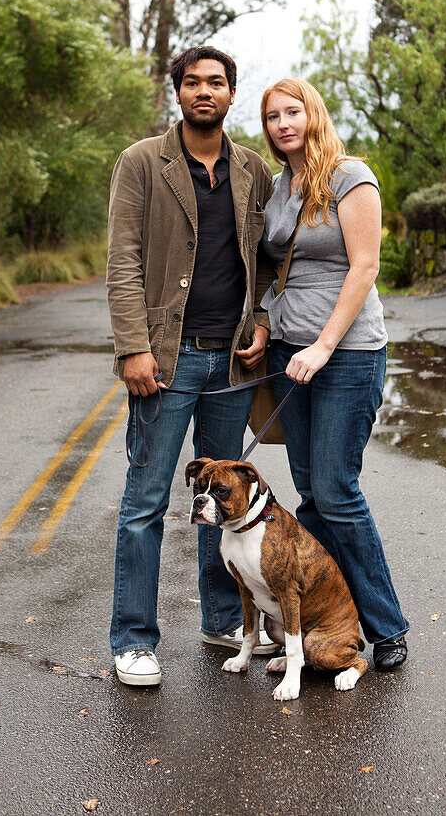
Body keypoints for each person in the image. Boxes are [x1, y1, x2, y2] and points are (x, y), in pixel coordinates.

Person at [106, 46, 276, 687]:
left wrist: (259, 319)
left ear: (232, 94)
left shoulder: (254, 170)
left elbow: (261, 259)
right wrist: (132, 346)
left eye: (217, 82)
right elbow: (123, 258)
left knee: (222, 500)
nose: (204, 91)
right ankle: (133, 640)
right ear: (176, 92)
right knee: (146, 503)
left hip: (231, 364)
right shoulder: (143, 163)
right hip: (167, 361)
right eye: (192, 82)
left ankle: (220, 618)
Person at [259, 78, 409, 671]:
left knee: (337, 492)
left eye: (292, 111)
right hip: (287, 352)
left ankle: (386, 625)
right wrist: (267, 327)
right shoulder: (277, 188)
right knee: (311, 492)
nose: (282, 124)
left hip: (345, 353)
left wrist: (323, 344)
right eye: (272, 116)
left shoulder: (351, 176)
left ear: (312, 114)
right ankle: (331, 620)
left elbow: (365, 267)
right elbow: (277, 272)